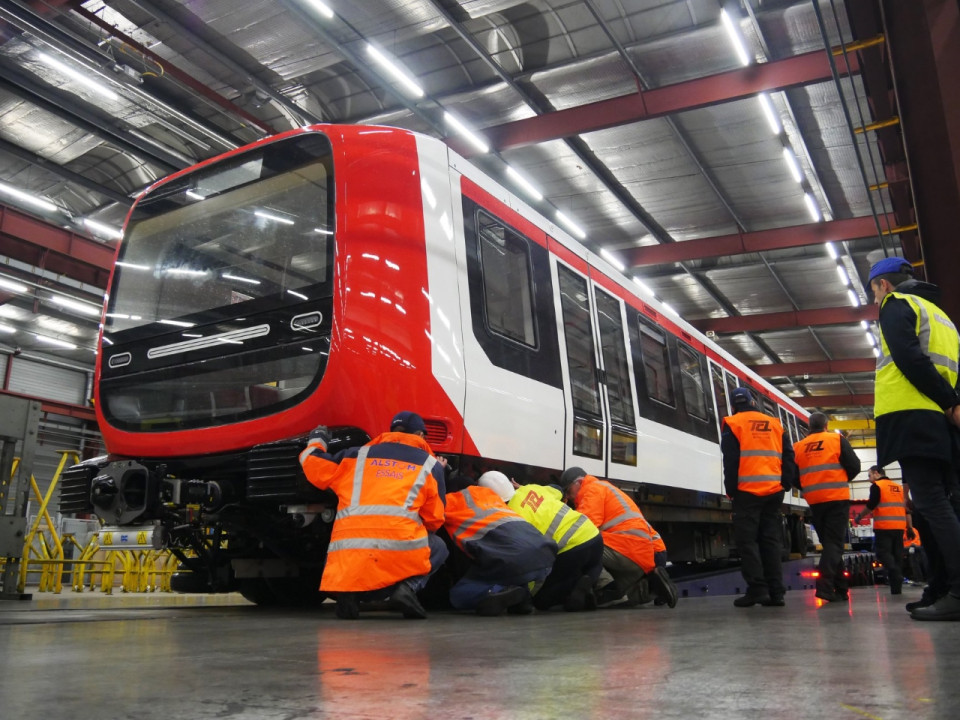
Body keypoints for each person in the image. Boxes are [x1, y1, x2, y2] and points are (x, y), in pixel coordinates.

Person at [868, 256, 960, 620]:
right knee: (941, 506)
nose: (875, 299)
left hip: (913, 414)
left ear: (883, 285)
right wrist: (952, 405)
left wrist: (949, 402)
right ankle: (940, 586)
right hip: (940, 421)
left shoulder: (896, 304)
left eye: (873, 291)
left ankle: (957, 591)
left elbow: (907, 357)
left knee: (933, 505)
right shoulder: (944, 320)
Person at [299, 410, 448, 620]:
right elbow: (435, 520)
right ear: (421, 436)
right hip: (400, 554)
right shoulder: (430, 465)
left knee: (345, 541)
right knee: (439, 546)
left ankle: (349, 593)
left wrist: (317, 441)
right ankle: (406, 589)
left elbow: (312, 464)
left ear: (391, 432)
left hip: (350, 558)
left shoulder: (356, 456)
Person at [478, 471, 603, 611]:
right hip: (593, 536)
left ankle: (575, 585)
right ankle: (586, 585)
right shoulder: (530, 488)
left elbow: (530, 556)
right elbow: (558, 490)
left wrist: (529, 593)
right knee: (594, 565)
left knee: (542, 601)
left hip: (571, 549)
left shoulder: (511, 515)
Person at [558, 467, 678, 608]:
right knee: (625, 596)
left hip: (626, 551)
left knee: (583, 546)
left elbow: (583, 528)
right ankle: (651, 589)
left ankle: (605, 587)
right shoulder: (610, 490)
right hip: (642, 557)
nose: (568, 496)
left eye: (568, 490)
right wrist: (658, 563)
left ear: (578, 482)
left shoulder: (591, 490)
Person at [721, 386, 798, 607]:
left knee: (748, 542)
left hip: (746, 492)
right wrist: (785, 482)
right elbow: (789, 455)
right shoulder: (775, 424)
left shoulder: (732, 423)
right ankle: (777, 593)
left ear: (735, 406)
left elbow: (731, 461)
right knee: (770, 541)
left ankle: (757, 589)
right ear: (752, 403)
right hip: (773, 492)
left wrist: (731, 490)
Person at [443, 483, 557, 615]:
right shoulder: (494, 499)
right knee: (511, 568)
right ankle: (522, 598)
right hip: (546, 556)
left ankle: (497, 591)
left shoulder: (450, 501)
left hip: (514, 560)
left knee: (458, 595)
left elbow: (431, 516)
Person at [792, 412, 861, 602]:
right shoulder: (836, 439)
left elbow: (792, 475)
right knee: (835, 544)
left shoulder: (798, 447)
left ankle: (840, 589)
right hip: (837, 498)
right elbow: (855, 466)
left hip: (815, 501)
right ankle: (823, 586)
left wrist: (808, 486)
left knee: (831, 544)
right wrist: (840, 479)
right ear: (826, 425)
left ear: (808, 427)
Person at [854, 466, 907, 595]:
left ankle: (895, 572)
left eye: (869, 475)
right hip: (899, 527)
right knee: (897, 556)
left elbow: (872, 504)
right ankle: (896, 589)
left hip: (884, 526)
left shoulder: (877, 486)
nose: (868, 479)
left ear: (876, 473)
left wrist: (860, 516)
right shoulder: (897, 487)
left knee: (882, 553)